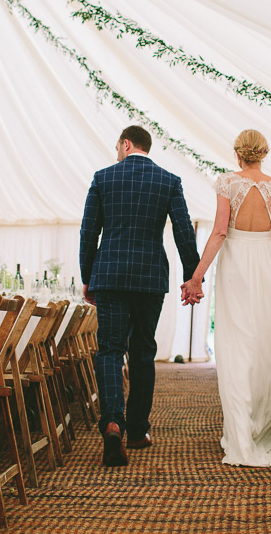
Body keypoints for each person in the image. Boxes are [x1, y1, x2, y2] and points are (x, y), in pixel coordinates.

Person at [80, 125, 202, 467]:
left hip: (110, 277)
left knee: (109, 350)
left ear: (126, 143)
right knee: (144, 351)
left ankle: (112, 423)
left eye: (117, 147)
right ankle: (137, 431)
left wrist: (87, 276)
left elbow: (89, 231)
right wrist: (194, 277)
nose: (116, 153)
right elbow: (182, 232)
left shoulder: (103, 178)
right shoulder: (169, 181)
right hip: (150, 279)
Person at [181, 129, 271, 467]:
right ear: (264, 153)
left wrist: (197, 276)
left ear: (238, 153)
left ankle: (240, 434)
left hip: (237, 270)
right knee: (267, 350)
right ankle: (258, 432)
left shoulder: (227, 183)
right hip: (269, 269)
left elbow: (219, 232)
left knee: (237, 347)